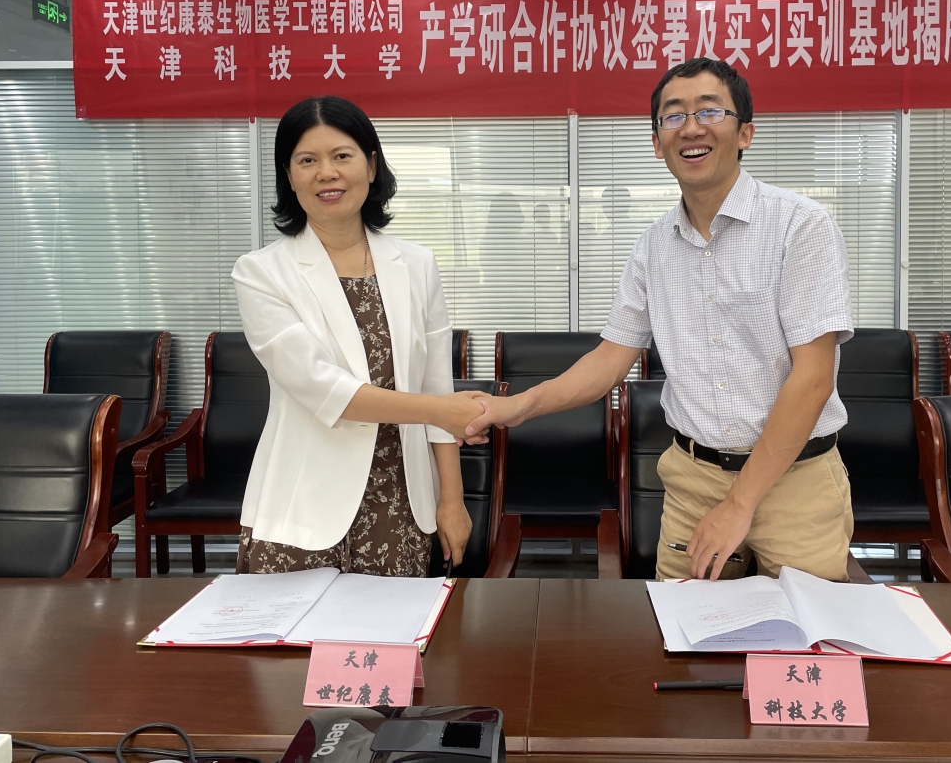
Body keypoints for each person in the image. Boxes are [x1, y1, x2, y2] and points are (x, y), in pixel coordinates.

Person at [466, 57, 854, 582]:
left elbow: (813, 378)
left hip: (797, 481)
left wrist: (739, 505)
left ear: (745, 132)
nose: (691, 128)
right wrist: (517, 407)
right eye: (673, 115)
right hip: (695, 482)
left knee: (803, 632)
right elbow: (610, 358)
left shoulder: (801, 226)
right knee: (688, 631)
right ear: (656, 143)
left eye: (709, 111)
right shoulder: (653, 248)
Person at [232, 96, 484, 577]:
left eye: (341, 156)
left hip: (400, 504)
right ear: (289, 176)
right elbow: (323, 389)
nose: (326, 173)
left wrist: (452, 501)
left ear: (370, 166)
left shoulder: (417, 264)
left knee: (392, 629)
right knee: (288, 630)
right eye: (308, 160)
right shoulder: (261, 272)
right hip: (301, 506)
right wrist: (439, 410)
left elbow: (436, 385)